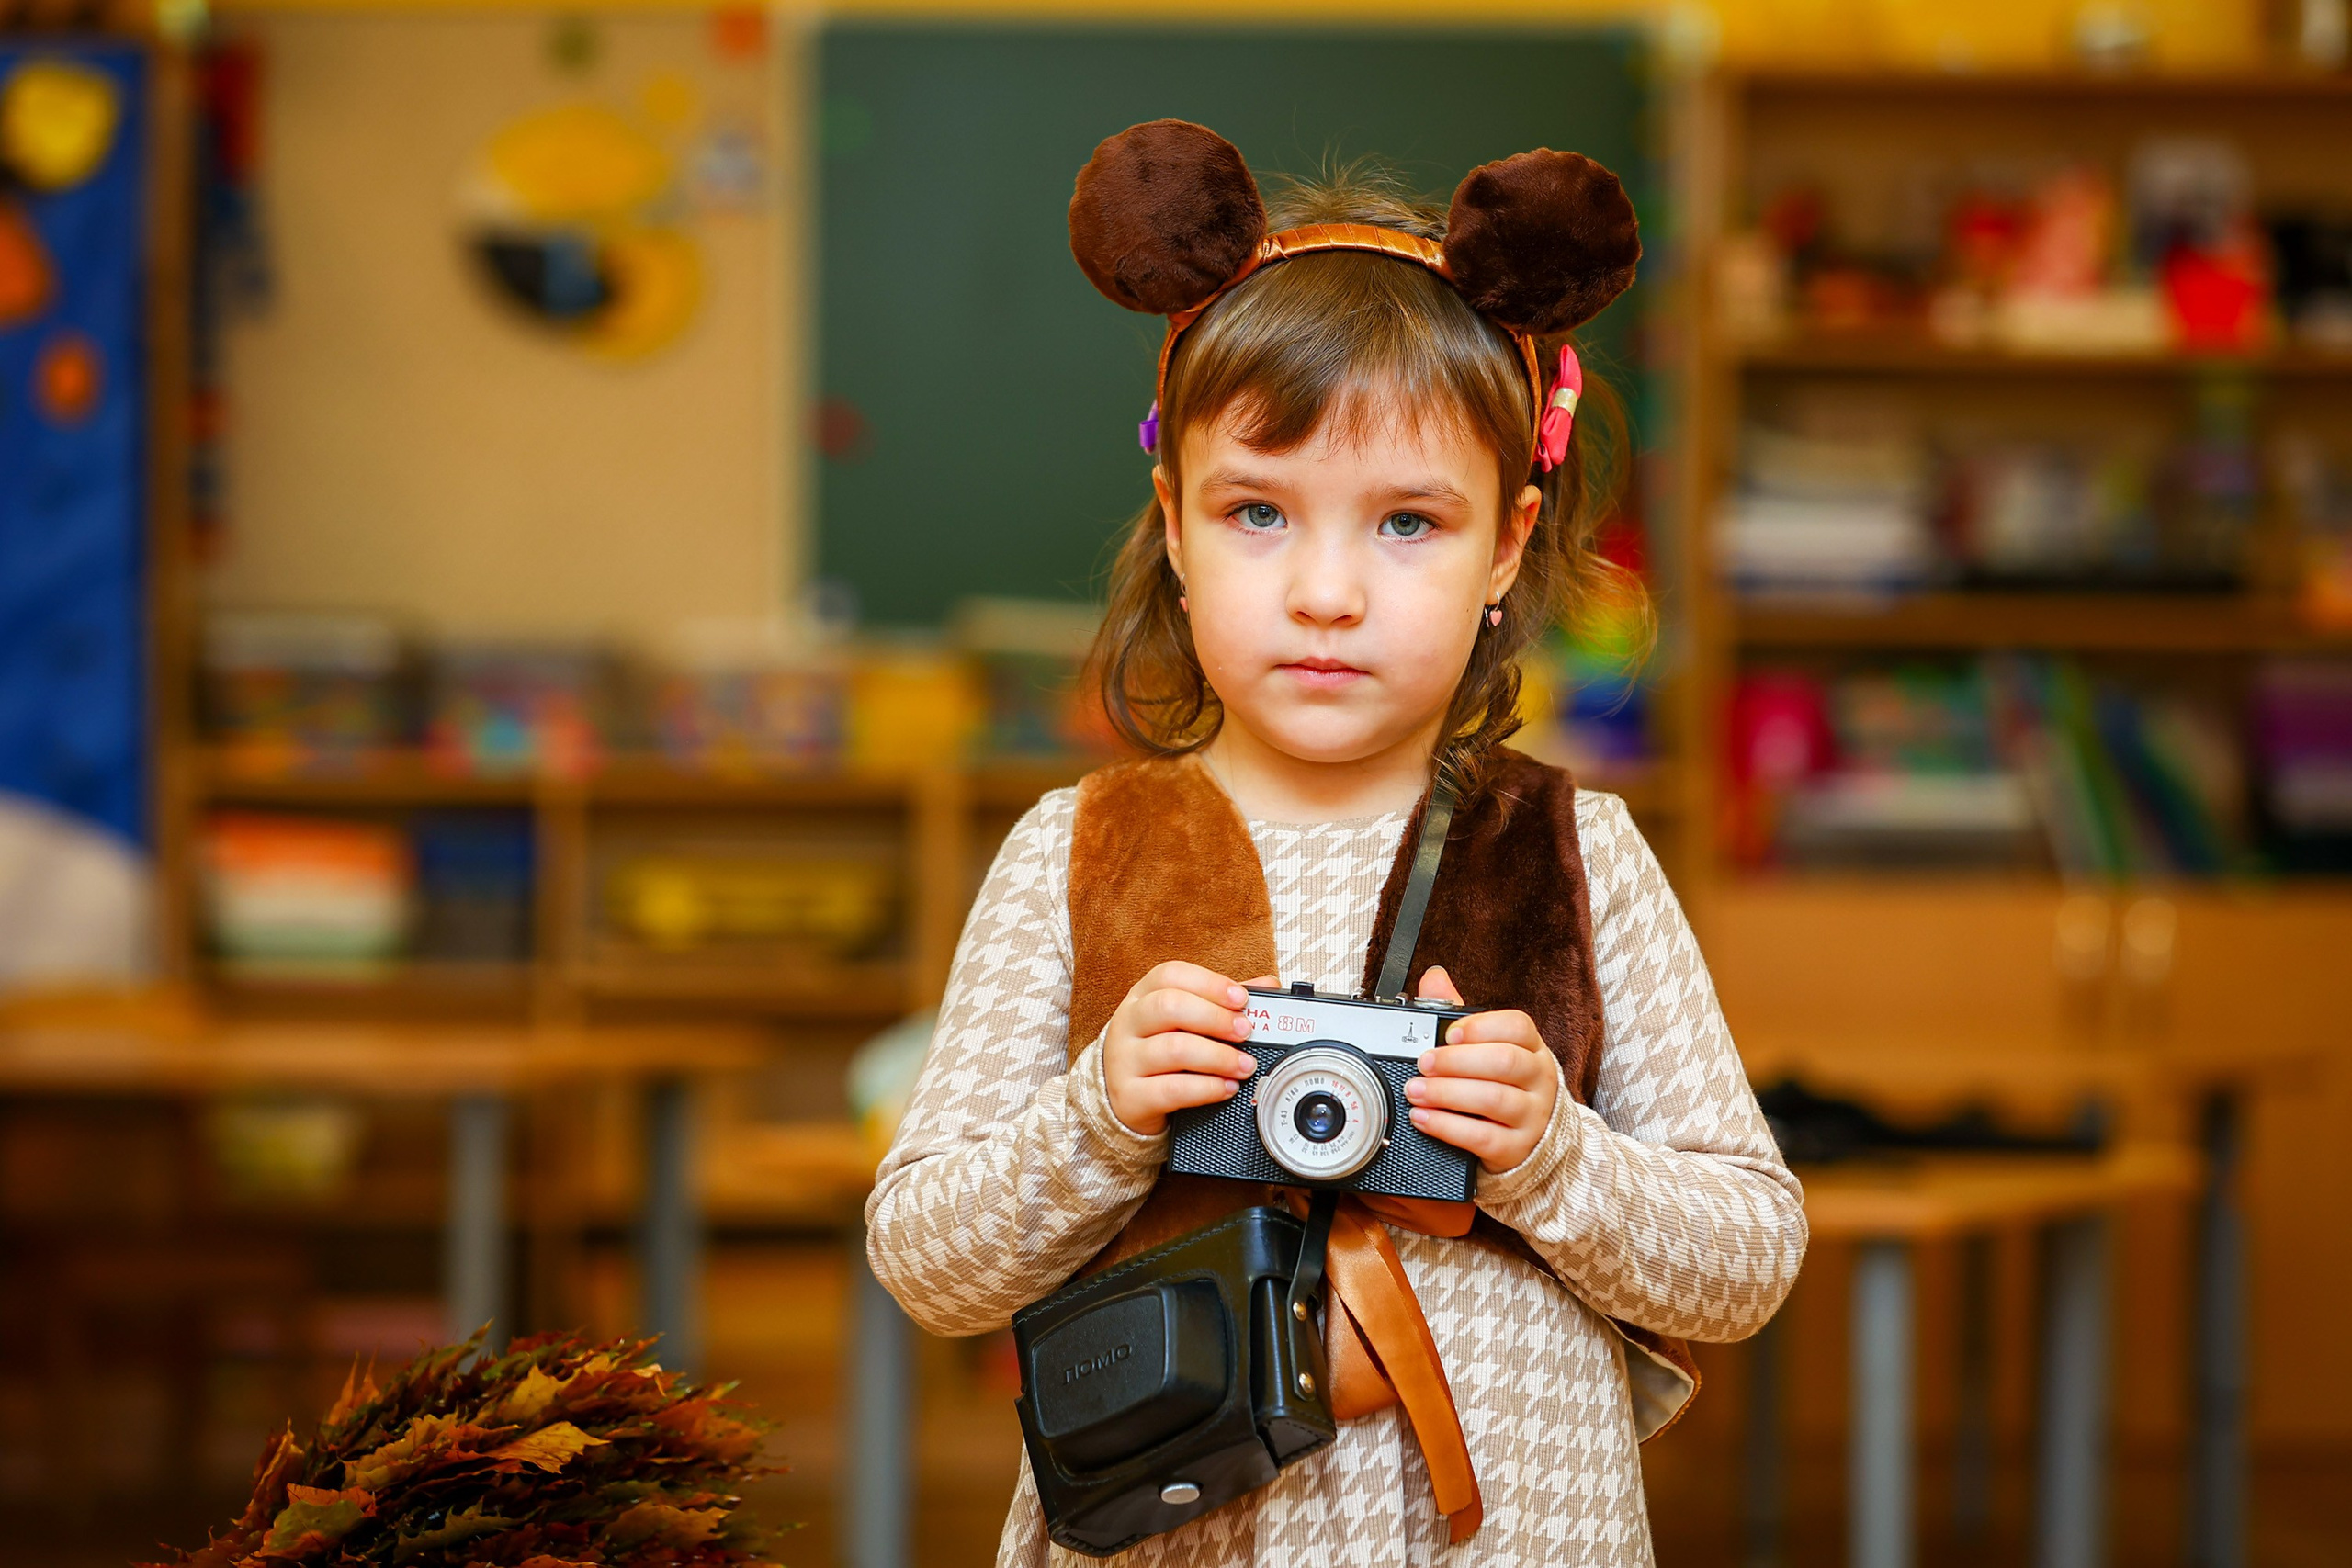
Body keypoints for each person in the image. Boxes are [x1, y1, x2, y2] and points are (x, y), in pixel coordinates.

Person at [866, 121, 1806, 1567]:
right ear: (1175, 525)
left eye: (1407, 525)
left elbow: (1747, 1261)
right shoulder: (1078, 847)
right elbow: (926, 1262)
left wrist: (1553, 1154)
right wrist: (1101, 1115)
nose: (1325, 592)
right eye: (1259, 512)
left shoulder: (1580, 851)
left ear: (1506, 545)